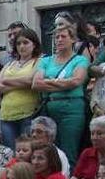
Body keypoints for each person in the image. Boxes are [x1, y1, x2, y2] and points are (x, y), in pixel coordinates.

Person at [32, 25, 90, 166]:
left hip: (72, 110)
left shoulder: (80, 60)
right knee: (49, 151)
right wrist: (63, 83)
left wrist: (49, 81)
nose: (59, 40)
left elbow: (77, 81)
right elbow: (36, 84)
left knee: (69, 150)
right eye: (56, 37)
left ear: (73, 40)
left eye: (63, 36)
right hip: (49, 109)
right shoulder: (45, 61)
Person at [0, 28, 42, 148]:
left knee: (27, 151)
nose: (22, 46)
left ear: (34, 44)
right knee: (10, 153)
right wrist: (20, 83)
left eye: (25, 42)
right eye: (18, 43)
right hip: (6, 116)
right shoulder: (9, 64)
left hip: (28, 114)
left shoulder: (39, 62)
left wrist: (7, 81)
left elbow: (31, 81)